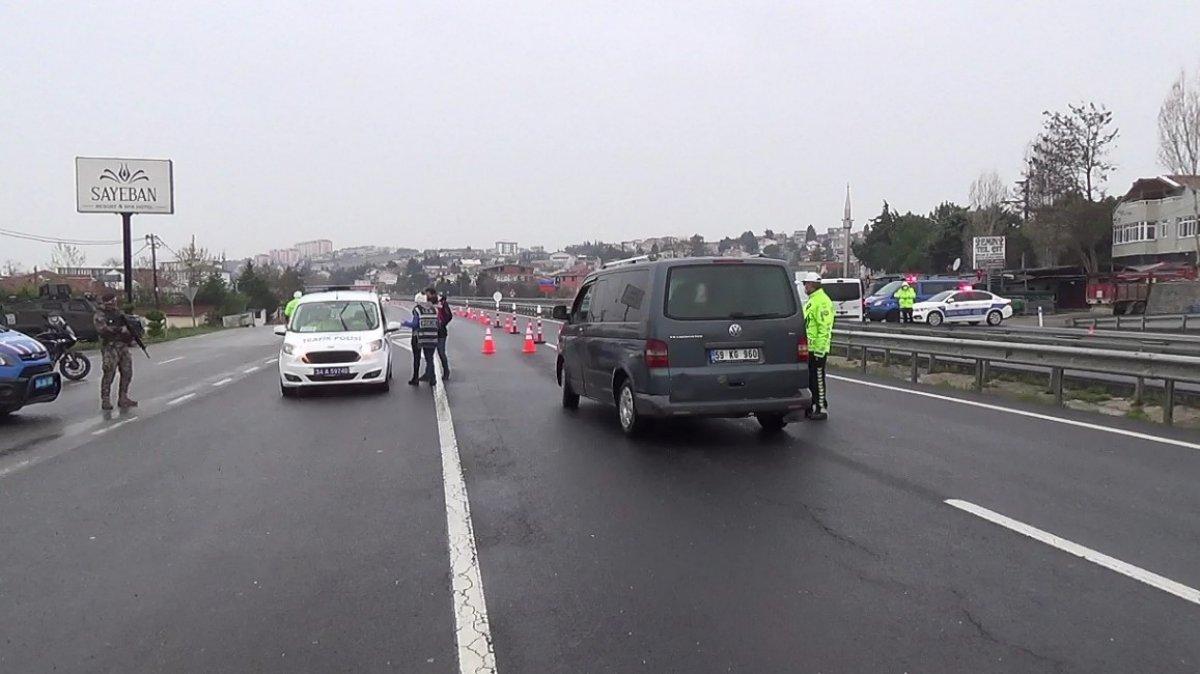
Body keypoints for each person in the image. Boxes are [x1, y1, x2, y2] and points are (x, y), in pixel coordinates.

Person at [93, 293, 136, 411]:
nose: (114, 303)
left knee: (127, 372)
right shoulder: (100, 314)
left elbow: (127, 325)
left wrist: (130, 334)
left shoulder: (118, 313)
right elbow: (102, 329)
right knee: (109, 373)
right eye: (112, 301)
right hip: (110, 347)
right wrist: (119, 330)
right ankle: (105, 400)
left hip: (122, 346)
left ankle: (123, 398)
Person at [801, 272, 832, 420]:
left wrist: (820, 349)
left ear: (812, 284)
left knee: (818, 379)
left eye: (805, 284)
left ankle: (821, 408)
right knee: (810, 379)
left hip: (818, 349)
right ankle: (810, 405)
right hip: (809, 348)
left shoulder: (822, 301)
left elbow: (824, 327)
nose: (804, 287)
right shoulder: (812, 301)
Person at [404, 288, 441, 386]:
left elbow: (415, 324)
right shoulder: (434, 309)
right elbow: (438, 324)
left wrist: (404, 323)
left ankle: (415, 378)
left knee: (417, 358)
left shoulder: (417, 309)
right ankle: (432, 379)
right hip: (432, 337)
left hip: (418, 337)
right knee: (429, 358)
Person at [436, 293, 452, 380]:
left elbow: (449, 316)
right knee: (429, 353)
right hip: (431, 331)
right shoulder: (430, 303)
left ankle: (446, 371)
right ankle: (429, 373)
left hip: (441, 332)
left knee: (441, 352)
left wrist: (442, 324)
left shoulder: (443, 304)